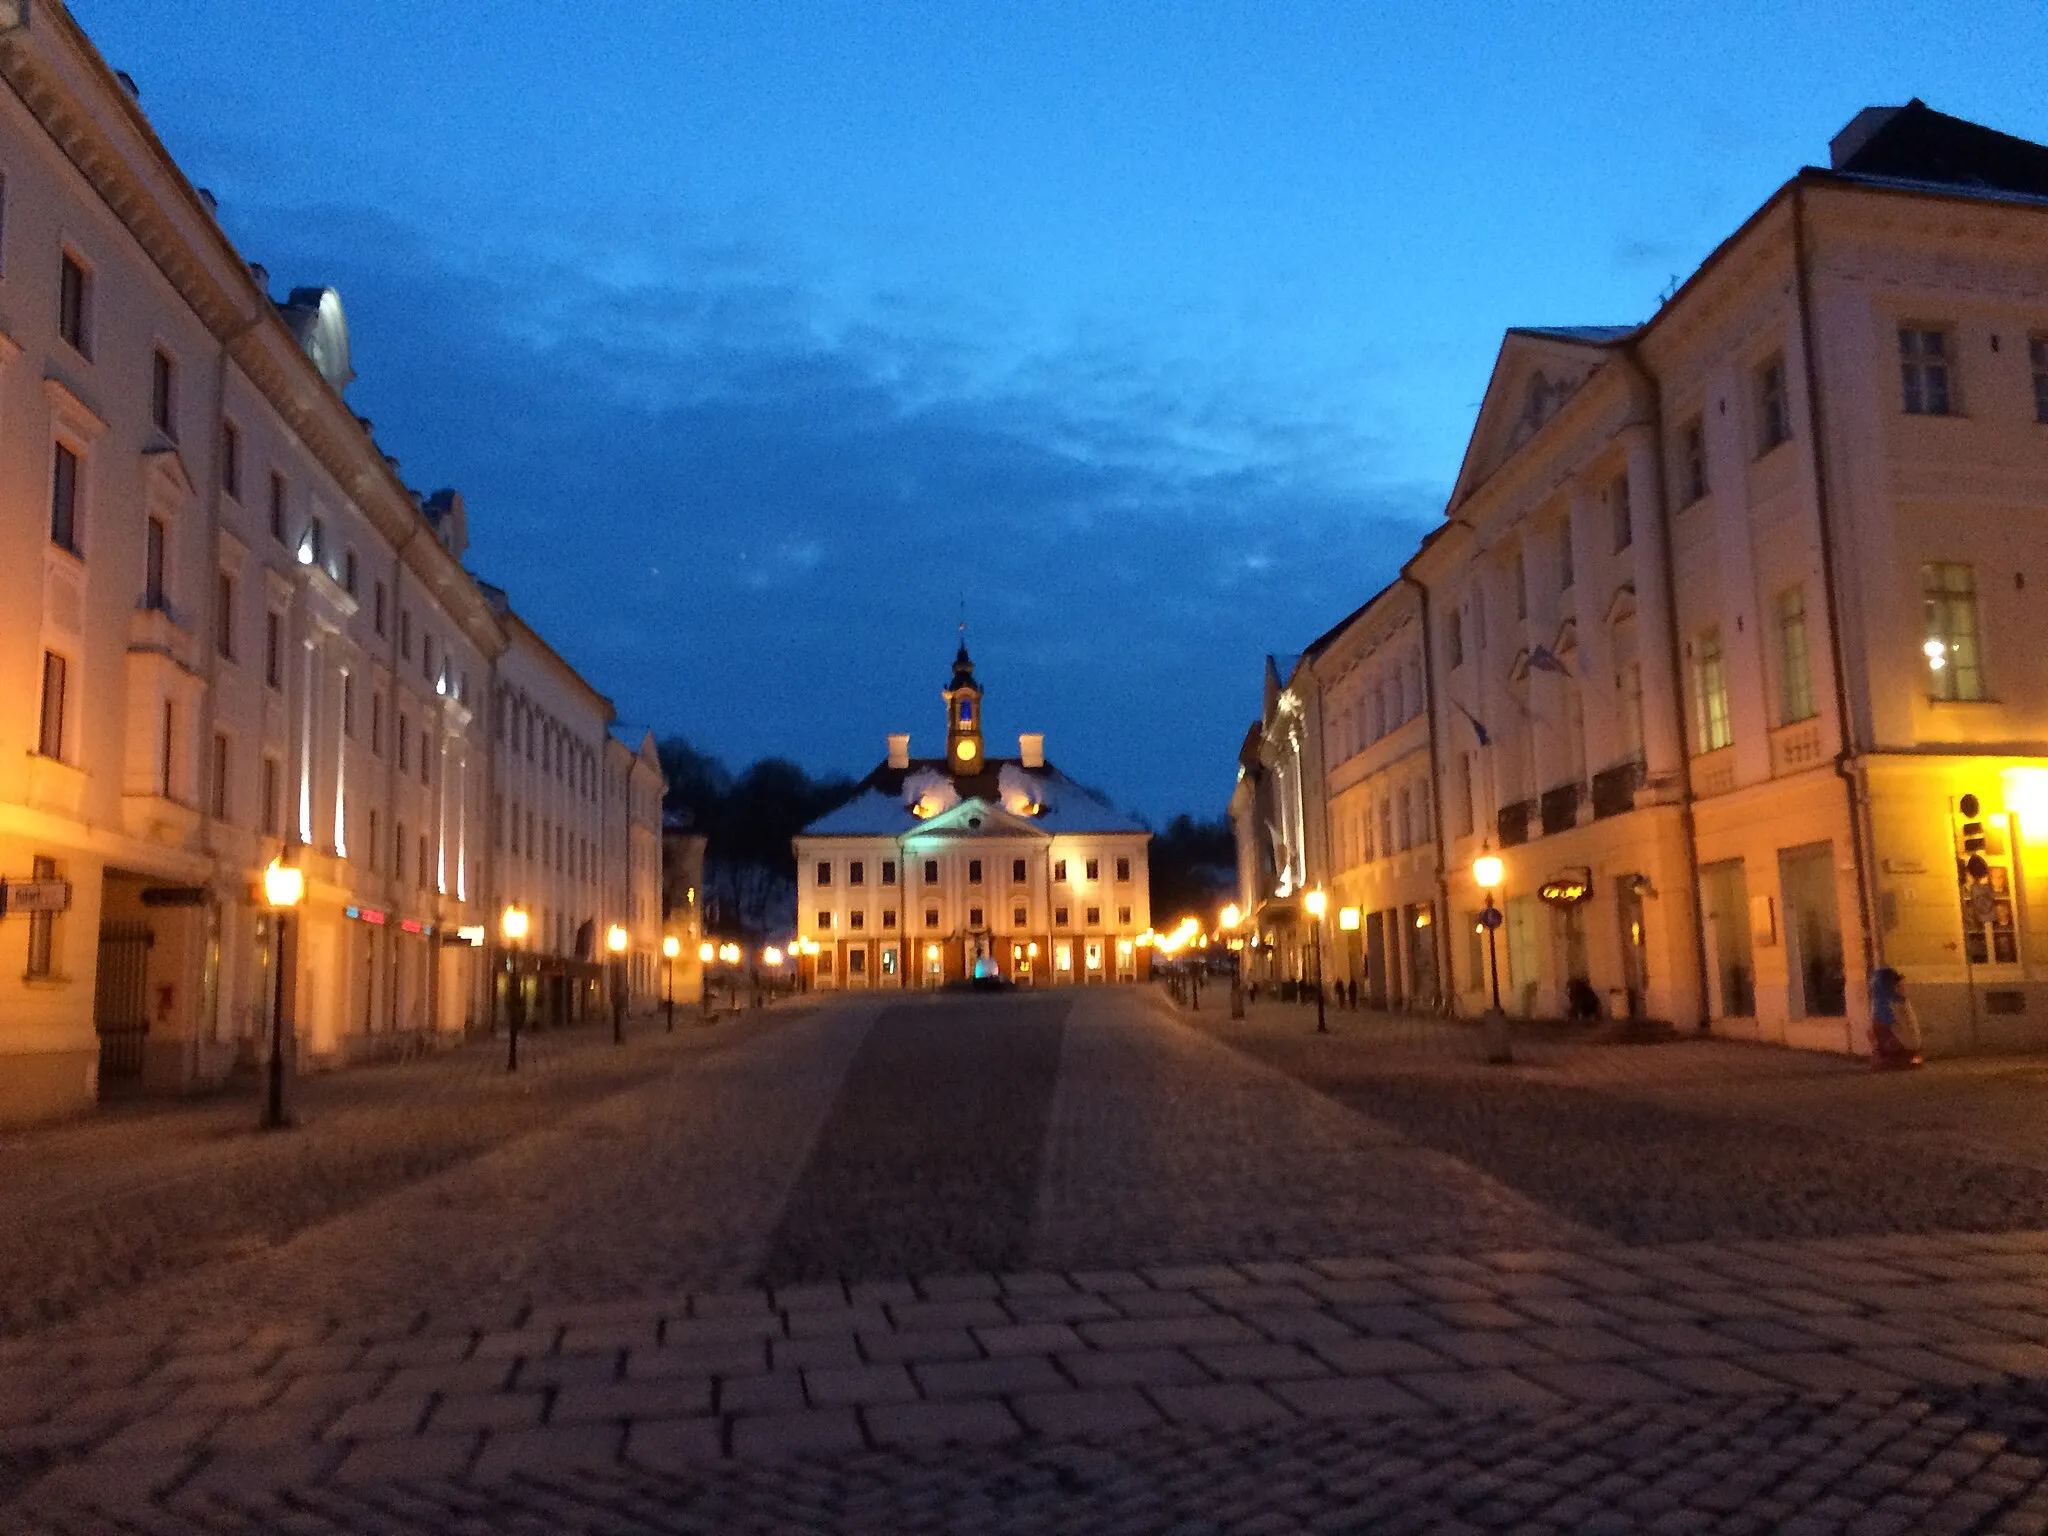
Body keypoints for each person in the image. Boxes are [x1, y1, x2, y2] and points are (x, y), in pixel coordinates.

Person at [1868, 966, 1922, 1069]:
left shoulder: (1885, 1001)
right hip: (1911, 1042)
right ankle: (1898, 1056)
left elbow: (1881, 1025)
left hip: (1902, 1043)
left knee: (1876, 1028)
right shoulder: (1900, 998)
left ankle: (1887, 1057)